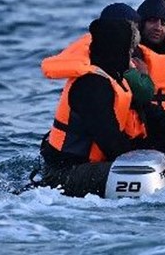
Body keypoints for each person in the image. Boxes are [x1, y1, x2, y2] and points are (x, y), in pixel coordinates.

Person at [33, 16, 149, 197]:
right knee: (141, 174)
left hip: (83, 165)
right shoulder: (93, 84)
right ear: (118, 49)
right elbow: (109, 141)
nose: (131, 57)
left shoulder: (112, 77)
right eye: (129, 49)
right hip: (65, 173)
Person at [135, 0, 165, 112]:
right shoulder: (134, 52)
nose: (158, 28)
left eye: (163, 23)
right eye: (152, 21)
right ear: (141, 24)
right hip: (144, 116)